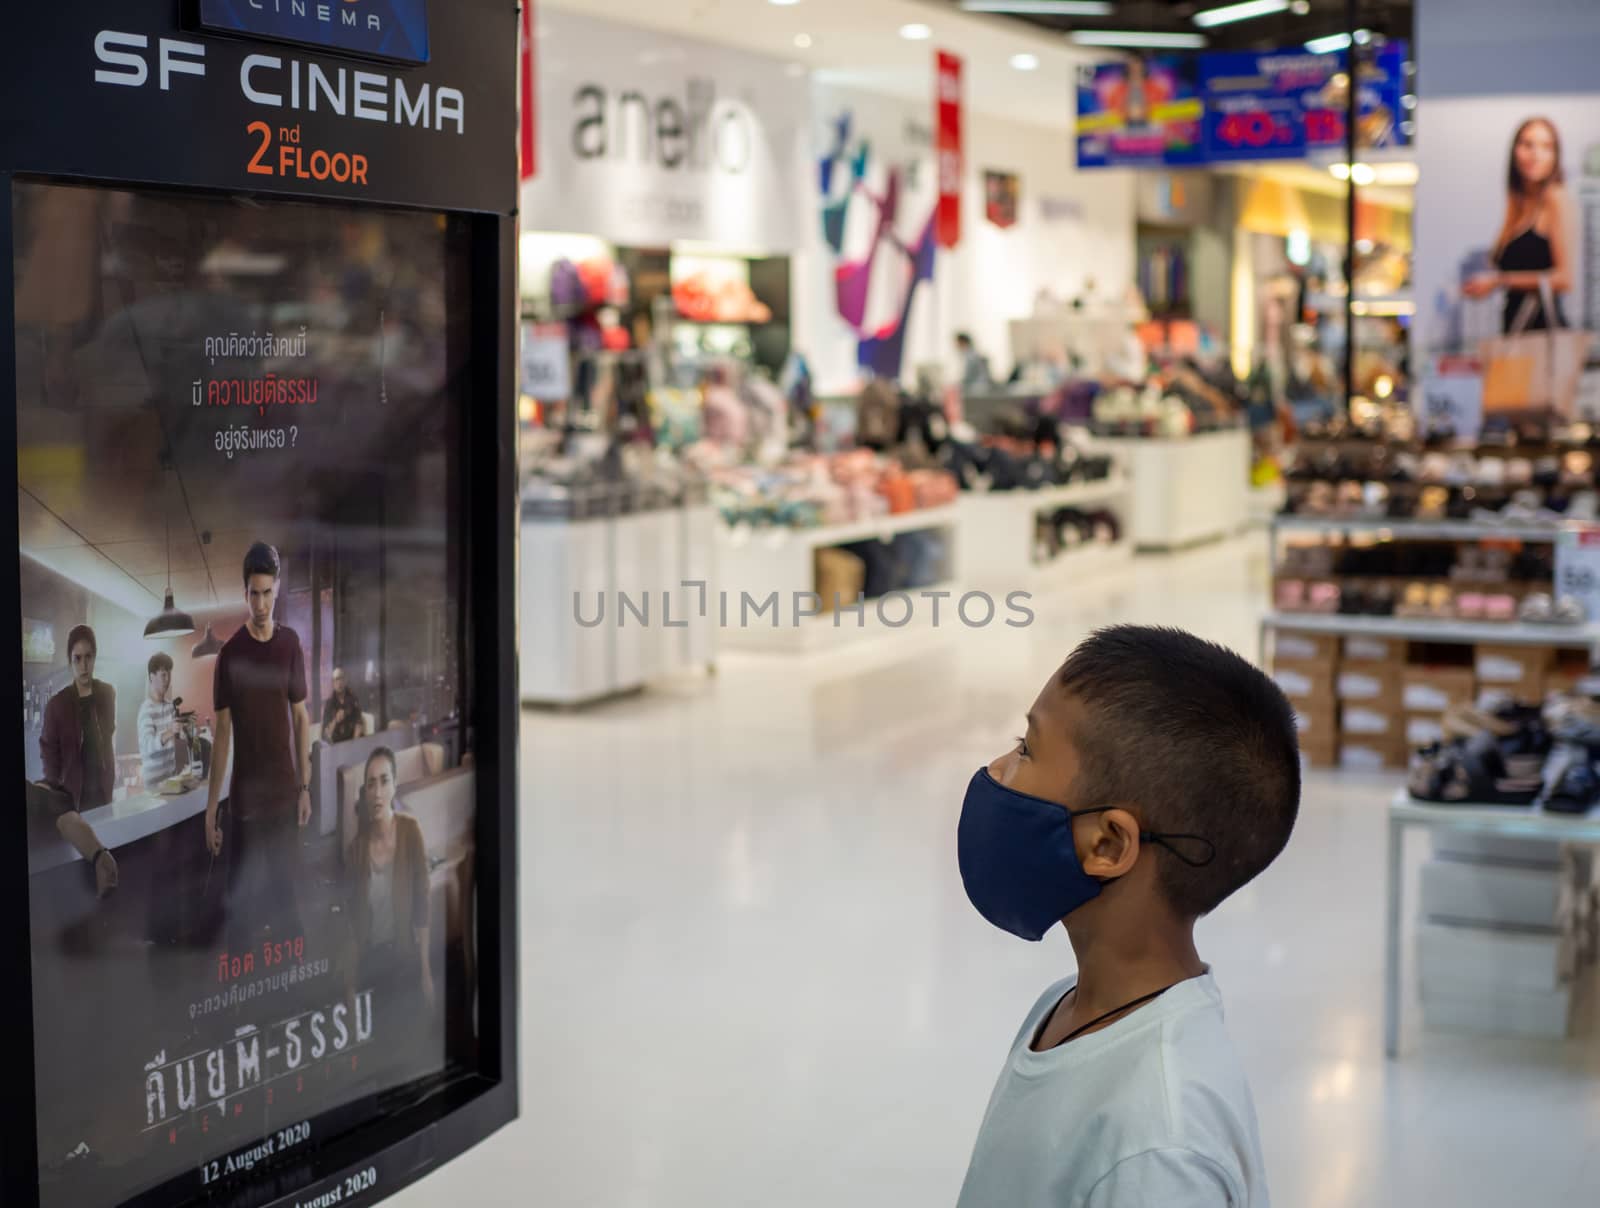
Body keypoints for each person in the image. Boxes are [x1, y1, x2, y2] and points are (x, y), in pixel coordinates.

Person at [955, 625, 1299, 1207]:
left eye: (1025, 748)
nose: (996, 767)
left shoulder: (1161, 1149)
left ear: (1109, 845)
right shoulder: (1070, 1006)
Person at [205, 542, 312, 941]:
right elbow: (221, 738)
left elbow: (301, 719)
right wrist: (210, 808)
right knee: (242, 911)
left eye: (268, 592)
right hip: (245, 804)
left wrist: (304, 787)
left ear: (278, 589)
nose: (262, 603)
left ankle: (293, 988)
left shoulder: (290, 645)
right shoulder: (230, 656)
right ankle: (240, 997)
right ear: (245, 592)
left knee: (288, 904)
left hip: (285, 795)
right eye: (254, 593)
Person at [1464, 117, 1575, 332]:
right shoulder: (1518, 206)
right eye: (1527, 144)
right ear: (1515, 151)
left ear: (1555, 156)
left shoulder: (1556, 199)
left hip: (1543, 335)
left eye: (1546, 147)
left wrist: (1499, 281)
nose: (1536, 155)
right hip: (1515, 331)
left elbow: (1564, 278)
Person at [347, 747, 435, 1014]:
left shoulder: (410, 832)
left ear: (395, 786)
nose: (377, 792)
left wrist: (425, 972)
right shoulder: (355, 851)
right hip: (370, 965)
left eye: (384, 781)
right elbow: (351, 925)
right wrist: (348, 988)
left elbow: (422, 907)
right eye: (371, 784)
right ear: (365, 792)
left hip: (404, 959)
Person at [39, 623, 119, 896]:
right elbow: (49, 759)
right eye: (77, 658)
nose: (84, 665)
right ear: (70, 661)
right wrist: (58, 806)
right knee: (81, 882)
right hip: (73, 805)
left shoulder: (107, 694)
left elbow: (107, 740)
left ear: (95, 658)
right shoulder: (57, 706)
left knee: (108, 869)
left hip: (105, 800)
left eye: (89, 657)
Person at [137, 651, 180, 787]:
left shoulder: (170, 706)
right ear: (151, 677)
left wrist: (186, 729)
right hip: (153, 788)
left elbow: (178, 737)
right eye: (163, 675)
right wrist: (170, 732)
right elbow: (148, 746)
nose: (167, 679)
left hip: (171, 781)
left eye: (169, 674)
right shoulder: (146, 710)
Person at [322, 667, 367, 744]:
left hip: (353, 740)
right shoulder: (329, 703)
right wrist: (336, 720)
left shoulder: (353, 699)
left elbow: (359, 723)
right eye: (336, 679)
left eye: (341, 678)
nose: (339, 683)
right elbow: (326, 733)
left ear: (345, 680)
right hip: (336, 743)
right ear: (333, 683)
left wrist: (354, 742)